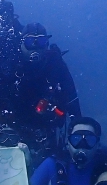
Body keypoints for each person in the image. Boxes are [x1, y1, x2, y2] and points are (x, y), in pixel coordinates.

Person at [5, 22, 80, 162]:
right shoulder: (12, 62)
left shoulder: (55, 63)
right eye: (30, 41)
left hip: (47, 126)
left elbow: (71, 97)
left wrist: (78, 127)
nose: (35, 47)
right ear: (21, 43)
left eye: (41, 41)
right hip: (15, 125)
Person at [29, 114, 107, 185]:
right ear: (68, 143)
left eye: (89, 140)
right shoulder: (52, 164)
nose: (82, 145)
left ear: (97, 145)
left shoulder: (105, 171)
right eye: (76, 139)